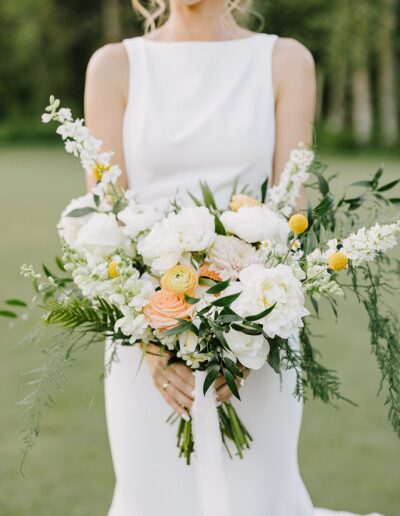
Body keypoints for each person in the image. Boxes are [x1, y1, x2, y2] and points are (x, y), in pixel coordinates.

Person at [84, 1, 382, 515]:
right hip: (144, 349)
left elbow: (294, 209)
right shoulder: (113, 66)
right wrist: (150, 342)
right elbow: (102, 222)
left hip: (257, 343)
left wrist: (247, 339)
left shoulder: (285, 61)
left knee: (258, 500)